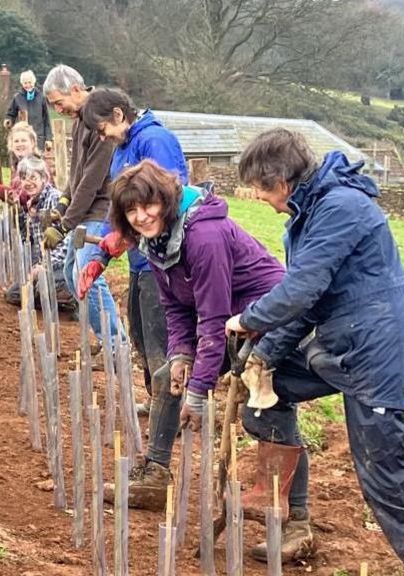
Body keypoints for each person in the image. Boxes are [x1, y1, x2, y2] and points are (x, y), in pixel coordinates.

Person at [223, 128, 404, 575]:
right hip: (341, 347)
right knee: (265, 393)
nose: (257, 197)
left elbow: (301, 290)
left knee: (384, 470)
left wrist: (248, 320)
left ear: (282, 181)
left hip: (378, 355)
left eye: (259, 186)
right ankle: (282, 501)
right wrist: (265, 354)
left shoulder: (340, 207)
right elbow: (310, 305)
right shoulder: (308, 215)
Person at [109, 160, 314, 560]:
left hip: (269, 319)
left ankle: (298, 523)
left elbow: (213, 314)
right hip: (228, 324)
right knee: (171, 376)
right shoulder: (155, 241)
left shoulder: (203, 235)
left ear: (165, 200)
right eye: (131, 211)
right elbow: (176, 308)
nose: (140, 216)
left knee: (268, 409)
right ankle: (155, 472)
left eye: (147, 205)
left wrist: (201, 390)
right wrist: (182, 355)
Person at [75, 88, 189, 506]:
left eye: (103, 128)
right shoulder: (127, 145)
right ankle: (163, 410)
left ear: (120, 114)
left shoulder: (153, 141)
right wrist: (103, 253)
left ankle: (160, 452)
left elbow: (169, 205)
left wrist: (113, 248)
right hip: (143, 265)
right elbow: (124, 215)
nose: (102, 137)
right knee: (143, 341)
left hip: (165, 269)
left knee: (165, 358)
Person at [42, 64, 120, 345]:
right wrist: (62, 205)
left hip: (102, 210)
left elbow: (91, 181)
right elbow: (76, 174)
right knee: (70, 273)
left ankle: (116, 345)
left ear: (75, 90)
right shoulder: (80, 122)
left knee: (87, 275)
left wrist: (64, 225)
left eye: (59, 103)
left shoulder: (99, 121)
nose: (58, 110)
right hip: (85, 210)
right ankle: (105, 338)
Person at [2, 156, 76, 314]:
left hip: (61, 265)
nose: (28, 182)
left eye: (33, 177)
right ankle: (51, 298)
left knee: (42, 286)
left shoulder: (55, 199)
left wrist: (43, 267)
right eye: (23, 178)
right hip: (41, 265)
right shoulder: (29, 203)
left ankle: (71, 297)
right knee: (13, 294)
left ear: (44, 178)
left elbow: (66, 243)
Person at [0, 122, 57, 202]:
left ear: (33, 143)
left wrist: (0, 190)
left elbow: (29, 196)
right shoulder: (18, 166)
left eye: (23, 140)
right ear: (11, 145)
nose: (20, 144)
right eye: (16, 141)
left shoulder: (37, 165)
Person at [4, 70, 52, 149]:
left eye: (30, 82)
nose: (28, 85)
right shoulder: (17, 98)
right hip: (23, 136)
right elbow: (10, 114)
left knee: (36, 159)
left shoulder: (41, 97)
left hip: (38, 137)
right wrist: (8, 120)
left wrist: (49, 138)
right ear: (22, 84)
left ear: (33, 82)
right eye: (25, 83)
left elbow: (46, 120)